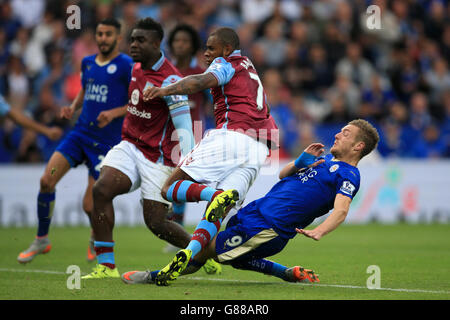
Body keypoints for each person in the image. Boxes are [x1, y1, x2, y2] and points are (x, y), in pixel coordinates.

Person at [121, 119, 380, 286]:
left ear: (358, 146)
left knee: (209, 251)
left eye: (345, 134)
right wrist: (299, 163)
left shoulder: (349, 174)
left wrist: (320, 230)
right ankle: (286, 273)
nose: (337, 134)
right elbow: (283, 174)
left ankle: (156, 276)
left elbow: (342, 209)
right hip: (255, 212)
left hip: (270, 227)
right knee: (229, 256)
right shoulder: (325, 162)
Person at [142, 27, 279, 286]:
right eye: (205, 48)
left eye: (211, 48)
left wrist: (164, 91)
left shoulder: (224, 63)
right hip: (259, 149)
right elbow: (266, 108)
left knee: (169, 188)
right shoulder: (249, 67)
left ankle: (213, 195)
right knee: (215, 215)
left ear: (227, 50)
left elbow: (200, 82)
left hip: (232, 137)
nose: (206, 53)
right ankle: (189, 254)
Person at [81, 18, 199, 279]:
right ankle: (106, 266)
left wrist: (188, 166)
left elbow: (185, 128)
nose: (133, 44)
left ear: (156, 44)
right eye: (132, 39)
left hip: (158, 158)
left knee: (156, 222)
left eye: (140, 40)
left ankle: (201, 253)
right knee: (101, 190)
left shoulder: (170, 80)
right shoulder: (134, 67)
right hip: (130, 146)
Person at [17, 18, 133, 264]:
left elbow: (137, 101)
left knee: (90, 205)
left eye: (108, 35)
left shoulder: (126, 65)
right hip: (79, 135)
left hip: (105, 143)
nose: (103, 39)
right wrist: (72, 107)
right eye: (100, 34)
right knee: (47, 180)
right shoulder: (88, 63)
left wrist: (114, 113)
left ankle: (96, 236)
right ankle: (41, 239)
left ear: (118, 38)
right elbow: (85, 89)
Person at [163, 24, 209, 245]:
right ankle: (178, 230)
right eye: (177, 41)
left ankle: (184, 230)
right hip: (167, 133)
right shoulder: (166, 71)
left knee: (183, 178)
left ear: (192, 46)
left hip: (194, 134)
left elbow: (213, 99)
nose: (180, 45)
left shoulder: (201, 73)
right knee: (173, 181)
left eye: (185, 41)